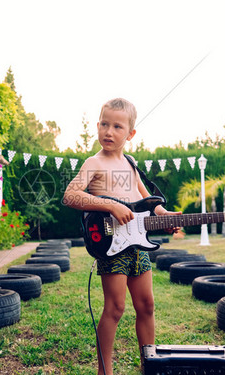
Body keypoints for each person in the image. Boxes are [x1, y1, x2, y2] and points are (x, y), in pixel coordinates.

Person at [62, 98, 180, 375]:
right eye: (104, 124)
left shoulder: (130, 163)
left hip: (137, 244)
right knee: (115, 308)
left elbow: (147, 199)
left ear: (130, 134)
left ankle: (149, 366)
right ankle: (106, 371)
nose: (108, 131)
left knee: (147, 306)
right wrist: (110, 204)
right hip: (111, 244)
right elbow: (71, 195)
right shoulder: (94, 162)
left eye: (117, 126)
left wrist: (165, 215)